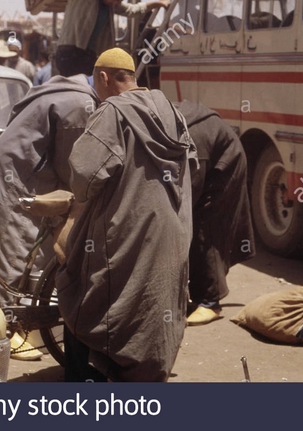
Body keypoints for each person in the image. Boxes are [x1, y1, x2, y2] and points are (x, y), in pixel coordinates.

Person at [56, 48, 197, 382]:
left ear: (103, 78)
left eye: (96, 82)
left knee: (92, 292)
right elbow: (191, 164)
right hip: (171, 229)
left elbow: (84, 175)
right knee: (154, 301)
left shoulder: (112, 112)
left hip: (127, 228)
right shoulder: (169, 108)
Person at [0, 71, 99, 359]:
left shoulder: (63, 91)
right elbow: (73, 167)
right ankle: (3, 333)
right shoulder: (80, 104)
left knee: (1, 247)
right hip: (18, 176)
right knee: (11, 253)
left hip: (12, 168)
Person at [176, 100, 255, 325]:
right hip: (211, 157)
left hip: (224, 163)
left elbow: (189, 191)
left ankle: (211, 302)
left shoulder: (192, 141)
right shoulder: (168, 124)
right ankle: (199, 291)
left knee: (205, 227)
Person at [56, 0, 170, 77]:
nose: (115, 3)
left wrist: (158, 3)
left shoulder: (109, 5)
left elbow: (133, 10)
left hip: (89, 55)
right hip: (70, 52)